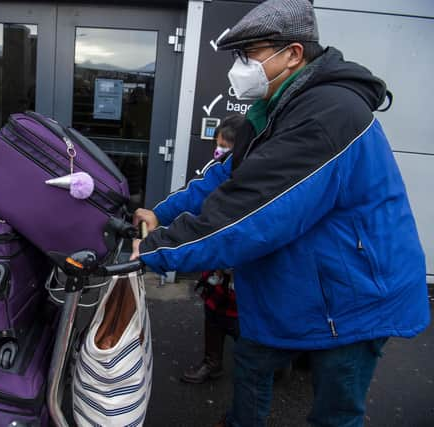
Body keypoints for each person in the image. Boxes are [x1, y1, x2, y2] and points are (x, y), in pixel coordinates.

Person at [132, 1, 430, 426]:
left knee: (336, 411)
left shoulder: (330, 113)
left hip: (353, 296)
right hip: (301, 283)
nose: (240, 67)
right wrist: (162, 214)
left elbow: (254, 208)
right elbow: (225, 178)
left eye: (249, 54)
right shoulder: (274, 109)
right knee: (253, 359)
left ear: (292, 53)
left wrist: (155, 248)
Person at [180, 117, 243, 384]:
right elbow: (196, 200)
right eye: (217, 146)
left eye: (225, 147)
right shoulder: (215, 173)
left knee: (246, 320)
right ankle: (212, 362)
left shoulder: (256, 175)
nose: (219, 153)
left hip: (244, 265)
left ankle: (266, 368)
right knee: (213, 312)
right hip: (218, 261)